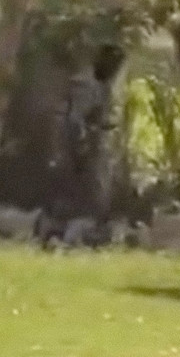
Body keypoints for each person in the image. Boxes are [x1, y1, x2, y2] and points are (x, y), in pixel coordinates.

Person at [41, 44, 126, 244]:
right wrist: (82, 146)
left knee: (87, 193)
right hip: (78, 149)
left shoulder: (101, 86)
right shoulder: (87, 87)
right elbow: (76, 119)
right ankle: (63, 233)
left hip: (87, 146)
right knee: (81, 194)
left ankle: (73, 233)